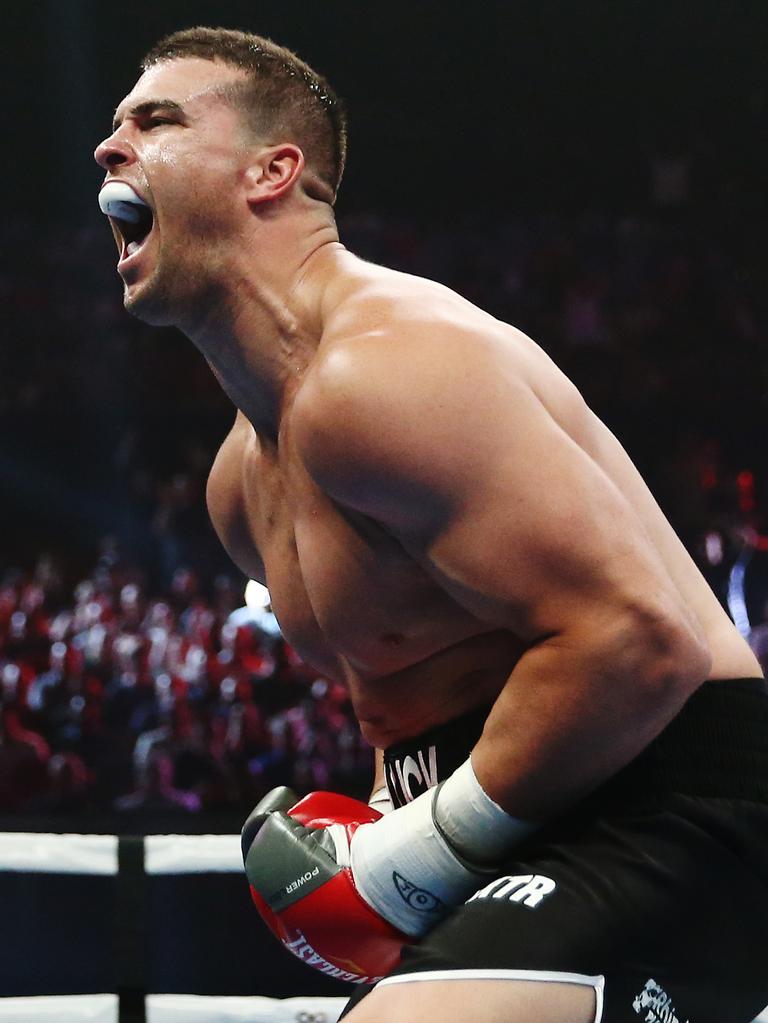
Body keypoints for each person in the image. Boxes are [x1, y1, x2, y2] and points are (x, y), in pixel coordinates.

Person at [94, 27, 768, 1023]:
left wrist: (416, 856)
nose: (111, 147)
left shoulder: (388, 369)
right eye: (113, 125)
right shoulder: (242, 482)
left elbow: (640, 640)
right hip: (517, 828)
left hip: (674, 814)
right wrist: (389, 832)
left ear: (272, 172)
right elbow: (405, 701)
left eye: (155, 120)